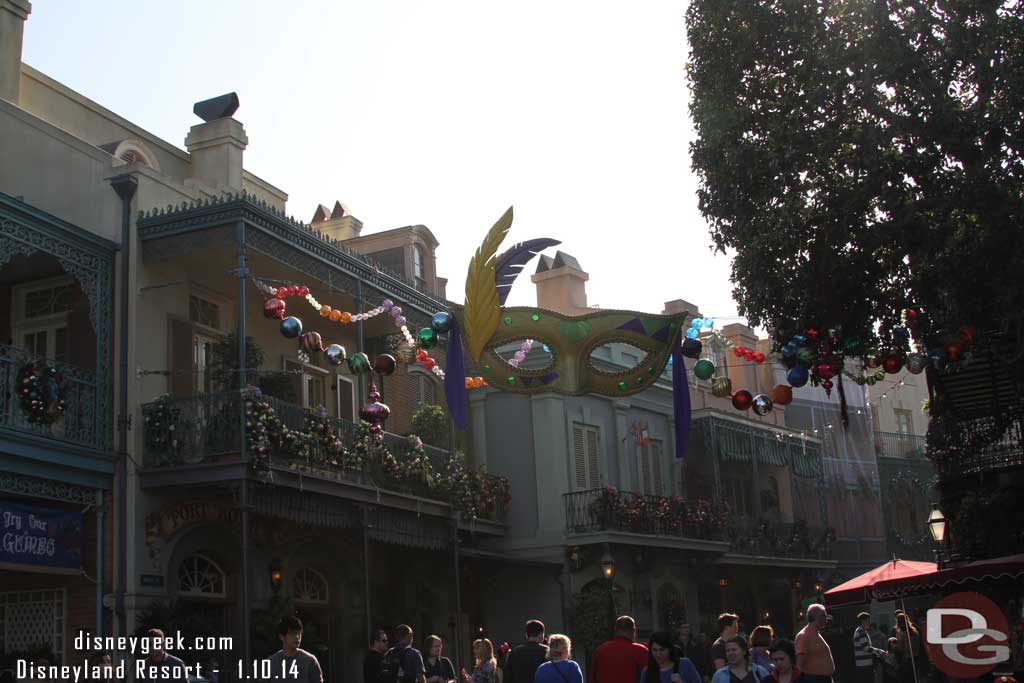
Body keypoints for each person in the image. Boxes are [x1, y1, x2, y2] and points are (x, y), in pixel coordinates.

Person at [588, 615, 650, 683]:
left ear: (615, 629)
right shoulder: (641, 651)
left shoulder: (600, 650)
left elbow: (593, 679)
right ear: (633, 630)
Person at [266, 616, 325, 683]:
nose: (297, 637)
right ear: (282, 637)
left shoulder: (310, 661)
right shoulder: (271, 662)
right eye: (292, 633)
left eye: (299, 633)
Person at [794, 605, 835, 683]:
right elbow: (799, 665)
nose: (826, 619)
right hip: (814, 679)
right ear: (818, 617)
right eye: (825, 616)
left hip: (824, 679)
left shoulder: (816, 633)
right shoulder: (804, 635)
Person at [891, 612, 922, 683]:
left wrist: (895, 646)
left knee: (906, 679)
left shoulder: (902, 633)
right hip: (915, 658)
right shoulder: (914, 631)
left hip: (906, 659)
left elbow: (903, 648)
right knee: (914, 678)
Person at [853, 612, 882, 683]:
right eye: (868, 620)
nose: (870, 622)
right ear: (863, 621)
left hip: (862, 665)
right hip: (864, 666)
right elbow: (866, 648)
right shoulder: (861, 632)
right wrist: (880, 651)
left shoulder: (860, 631)